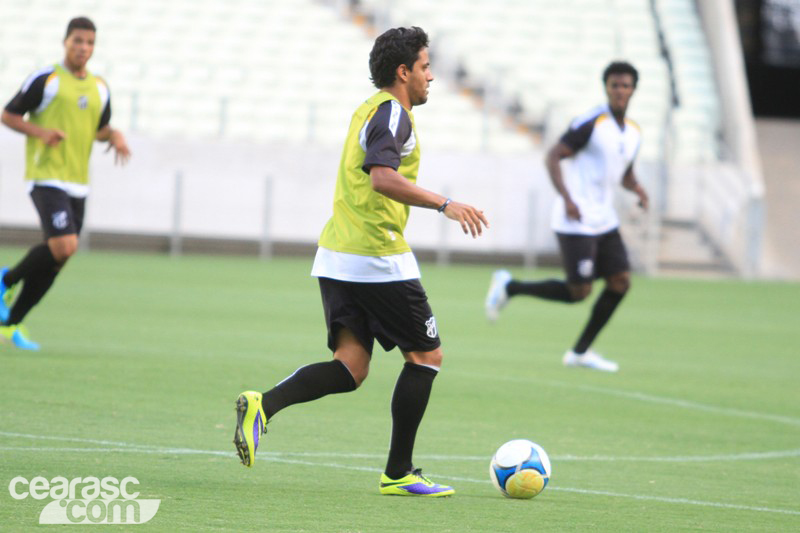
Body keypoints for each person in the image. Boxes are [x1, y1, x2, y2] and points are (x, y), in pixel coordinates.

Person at [233, 26, 488, 497]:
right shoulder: (393, 113)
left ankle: (262, 405)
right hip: (375, 255)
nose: (431, 76)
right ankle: (399, 472)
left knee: (350, 367)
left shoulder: (368, 109)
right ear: (404, 71)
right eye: (426, 67)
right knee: (427, 356)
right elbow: (381, 177)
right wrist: (445, 204)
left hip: (337, 254)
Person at [485, 61, 648, 373]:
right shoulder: (592, 122)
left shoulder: (634, 132)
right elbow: (554, 155)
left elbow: (624, 173)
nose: (620, 91)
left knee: (620, 281)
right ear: (606, 88)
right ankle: (509, 287)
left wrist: (638, 189)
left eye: (625, 86)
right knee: (579, 293)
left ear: (633, 90)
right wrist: (568, 198)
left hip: (605, 219)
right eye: (614, 85)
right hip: (576, 218)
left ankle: (580, 352)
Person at [0, 16, 131, 350]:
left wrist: (115, 134)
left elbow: (98, 129)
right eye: (78, 41)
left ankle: (10, 324)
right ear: (65, 42)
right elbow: (9, 115)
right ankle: (5, 280)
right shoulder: (47, 79)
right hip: (46, 175)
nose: (83, 48)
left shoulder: (100, 87)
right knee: (64, 246)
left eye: (89, 43)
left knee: (59, 259)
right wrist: (41, 132)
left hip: (78, 182)